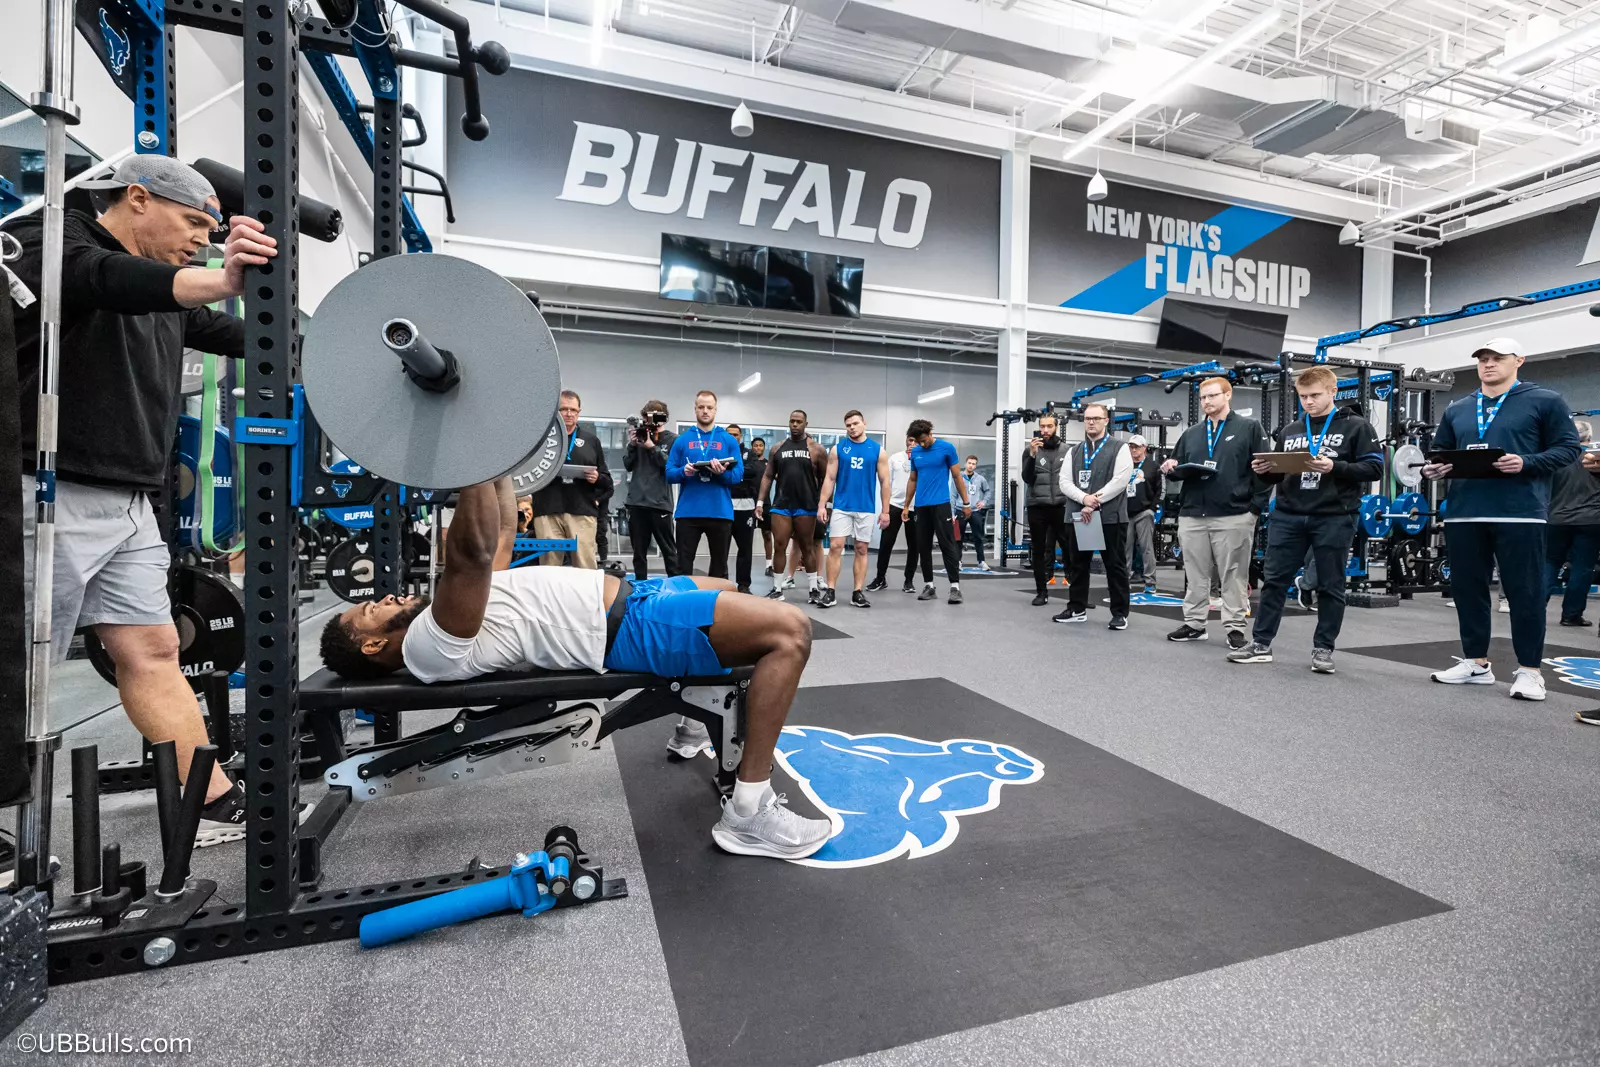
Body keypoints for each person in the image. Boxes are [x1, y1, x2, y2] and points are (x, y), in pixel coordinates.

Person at [317, 479, 831, 859]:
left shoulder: (443, 619)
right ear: (373, 645)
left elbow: (500, 536)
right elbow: (470, 553)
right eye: (370, 611)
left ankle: (695, 715)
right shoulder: (427, 644)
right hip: (632, 626)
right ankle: (748, 812)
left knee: (730, 590)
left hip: (636, 597)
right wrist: (474, 459)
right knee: (789, 632)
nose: (385, 599)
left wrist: (500, 467)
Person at [9, 155, 278, 845]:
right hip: (47, 491)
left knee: (156, 649)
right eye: (192, 223)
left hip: (130, 504)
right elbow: (102, 279)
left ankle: (209, 804)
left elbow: (251, 338)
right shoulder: (55, 238)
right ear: (136, 197)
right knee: (19, 668)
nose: (201, 241)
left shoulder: (166, 297)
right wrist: (220, 279)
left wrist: (356, 347)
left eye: (210, 233)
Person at [1422, 338, 1580, 700]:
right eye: (1483, 358)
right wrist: (1434, 469)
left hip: (1520, 513)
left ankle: (1530, 671)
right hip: (1464, 513)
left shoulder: (1545, 400)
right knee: (1467, 590)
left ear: (1519, 360)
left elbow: (1569, 448)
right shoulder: (1459, 408)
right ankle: (1476, 663)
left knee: (1525, 593)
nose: (1488, 364)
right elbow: (1440, 452)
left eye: (1497, 358)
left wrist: (1527, 462)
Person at [1228, 367, 1384, 673]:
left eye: (1314, 395)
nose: (1308, 402)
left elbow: (1374, 469)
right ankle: (1260, 643)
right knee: (1274, 581)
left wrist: (1335, 467)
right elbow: (1278, 473)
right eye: (1303, 396)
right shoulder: (1291, 430)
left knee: (1330, 585)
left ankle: (1323, 649)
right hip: (1289, 515)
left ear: (1333, 392)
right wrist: (1266, 471)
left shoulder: (1357, 426)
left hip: (1334, 516)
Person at [1160, 377, 1270, 648]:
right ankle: (1195, 624)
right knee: (1195, 573)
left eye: (1212, 396)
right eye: (1203, 397)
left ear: (1228, 395)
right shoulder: (1192, 433)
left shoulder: (1249, 428)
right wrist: (1170, 467)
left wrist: (1254, 509)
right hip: (1193, 513)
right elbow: (1177, 466)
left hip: (1234, 514)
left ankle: (1235, 627)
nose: (1206, 401)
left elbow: (1265, 470)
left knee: (1233, 574)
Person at [1054, 403, 1134, 629]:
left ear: (1106, 421)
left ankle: (1120, 613)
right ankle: (1077, 608)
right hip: (1080, 516)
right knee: (1078, 565)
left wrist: (1094, 500)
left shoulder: (1120, 448)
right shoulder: (1074, 451)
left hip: (1110, 517)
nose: (1091, 422)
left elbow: (1120, 480)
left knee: (1115, 566)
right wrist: (1084, 499)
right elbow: (1064, 482)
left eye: (1096, 418)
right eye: (1087, 418)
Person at [529, 391, 612, 569]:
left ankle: (586, 590)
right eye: (564, 409)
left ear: (579, 412)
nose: (569, 414)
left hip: (581, 511)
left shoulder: (591, 441)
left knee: (585, 566)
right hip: (547, 509)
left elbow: (607, 481)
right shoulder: (542, 439)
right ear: (555, 411)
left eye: (573, 410)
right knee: (549, 566)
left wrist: (597, 478)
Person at [817, 411, 890, 608]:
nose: (852, 427)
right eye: (848, 425)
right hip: (842, 506)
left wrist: (885, 511)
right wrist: (822, 505)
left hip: (866, 508)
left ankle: (857, 592)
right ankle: (830, 591)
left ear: (864, 423)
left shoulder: (877, 450)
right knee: (835, 547)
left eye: (855, 423)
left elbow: (885, 482)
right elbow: (829, 479)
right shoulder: (838, 449)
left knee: (861, 548)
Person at [667, 390, 743, 580]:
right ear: (695, 409)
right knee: (683, 566)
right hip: (688, 512)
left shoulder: (728, 440)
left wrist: (722, 473)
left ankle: (716, 598)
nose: (705, 411)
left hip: (720, 512)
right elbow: (669, 474)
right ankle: (684, 598)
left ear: (715, 410)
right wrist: (683, 472)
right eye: (701, 407)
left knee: (719, 567)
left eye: (709, 407)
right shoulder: (682, 440)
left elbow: (737, 476)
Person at [758, 411, 827, 603]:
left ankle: (813, 590)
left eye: (799, 421)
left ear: (806, 424)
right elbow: (768, 476)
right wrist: (760, 501)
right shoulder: (777, 448)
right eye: (792, 421)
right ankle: (777, 589)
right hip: (782, 505)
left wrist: (823, 504)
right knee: (779, 545)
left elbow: (826, 479)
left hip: (806, 506)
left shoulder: (816, 449)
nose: (795, 424)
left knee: (807, 547)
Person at [902, 420, 971, 605]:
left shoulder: (946, 448)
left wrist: (966, 503)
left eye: (924, 440)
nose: (922, 444)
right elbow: (912, 480)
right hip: (921, 506)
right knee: (923, 547)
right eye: (919, 441)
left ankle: (955, 587)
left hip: (941, 504)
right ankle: (929, 586)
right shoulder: (915, 452)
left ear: (931, 433)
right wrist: (906, 506)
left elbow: (957, 476)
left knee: (947, 545)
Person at [1544, 419, 1600, 628]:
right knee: (1583, 567)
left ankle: (1535, 610)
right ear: (1589, 438)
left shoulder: (1556, 459)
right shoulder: (1595, 459)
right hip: (1590, 520)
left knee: (1548, 564)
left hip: (1556, 519)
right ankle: (1571, 615)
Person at [866, 435, 930, 594]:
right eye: (910, 440)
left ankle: (909, 581)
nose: (912, 444)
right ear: (906, 440)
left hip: (916, 507)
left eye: (916, 441)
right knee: (886, 543)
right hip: (894, 505)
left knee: (914, 546)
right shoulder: (895, 458)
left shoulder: (924, 459)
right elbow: (886, 483)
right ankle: (880, 578)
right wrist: (885, 510)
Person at [624, 399, 679, 580]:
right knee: (639, 553)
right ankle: (640, 587)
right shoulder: (640, 436)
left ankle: (675, 587)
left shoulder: (673, 440)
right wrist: (632, 445)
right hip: (637, 502)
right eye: (647, 418)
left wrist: (652, 447)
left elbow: (670, 466)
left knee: (669, 551)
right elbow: (628, 465)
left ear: (664, 419)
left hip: (660, 503)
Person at [1021, 413, 1071, 606]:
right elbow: (1027, 478)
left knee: (1069, 549)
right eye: (1042, 426)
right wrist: (1032, 455)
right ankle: (1041, 592)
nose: (1045, 430)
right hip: (1037, 506)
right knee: (1039, 550)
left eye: (1049, 426)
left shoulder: (1067, 451)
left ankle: (1076, 592)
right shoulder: (1029, 451)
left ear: (1055, 427)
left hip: (1061, 505)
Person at [1124, 434, 1163, 594]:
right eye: (1131, 447)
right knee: (1125, 548)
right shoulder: (1124, 465)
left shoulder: (1153, 466)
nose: (1133, 450)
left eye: (1136, 447)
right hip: (1126, 512)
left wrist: (1152, 509)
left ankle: (1150, 582)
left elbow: (1161, 490)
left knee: (1147, 548)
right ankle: (1124, 581)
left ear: (1144, 448)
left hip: (1144, 512)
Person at [727, 425, 763, 594]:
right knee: (720, 550)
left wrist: (728, 468)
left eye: (736, 435)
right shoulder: (719, 452)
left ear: (740, 436)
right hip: (724, 506)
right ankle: (720, 583)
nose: (733, 437)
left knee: (745, 549)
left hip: (746, 507)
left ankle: (743, 585)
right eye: (729, 434)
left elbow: (753, 471)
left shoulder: (750, 454)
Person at [955, 456, 993, 571]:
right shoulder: (958, 477)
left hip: (975, 511)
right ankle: (958, 561)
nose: (971, 465)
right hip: (960, 509)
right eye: (969, 463)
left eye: (973, 464)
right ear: (965, 464)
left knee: (978, 537)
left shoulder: (980, 479)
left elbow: (987, 491)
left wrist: (983, 502)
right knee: (958, 538)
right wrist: (952, 511)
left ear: (976, 466)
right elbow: (952, 494)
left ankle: (981, 561)